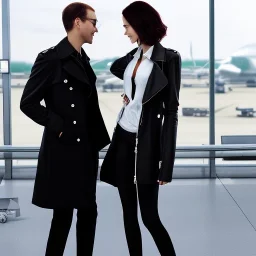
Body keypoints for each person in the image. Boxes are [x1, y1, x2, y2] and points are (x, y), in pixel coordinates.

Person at [20, 2, 110, 256]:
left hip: (85, 150)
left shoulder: (82, 59)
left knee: (88, 212)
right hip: (64, 149)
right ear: (78, 22)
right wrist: (59, 127)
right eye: (93, 22)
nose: (96, 29)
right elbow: (27, 102)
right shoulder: (51, 59)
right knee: (63, 215)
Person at [100, 1, 181, 255]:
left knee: (149, 217)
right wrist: (131, 92)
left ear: (141, 24)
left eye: (127, 27)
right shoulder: (134, 55)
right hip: (123, 137)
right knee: (128, 215)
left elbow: (171, 112)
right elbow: (118, 69)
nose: (125, 32)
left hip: (145, 144)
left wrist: (166, 164)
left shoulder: (168, 58)